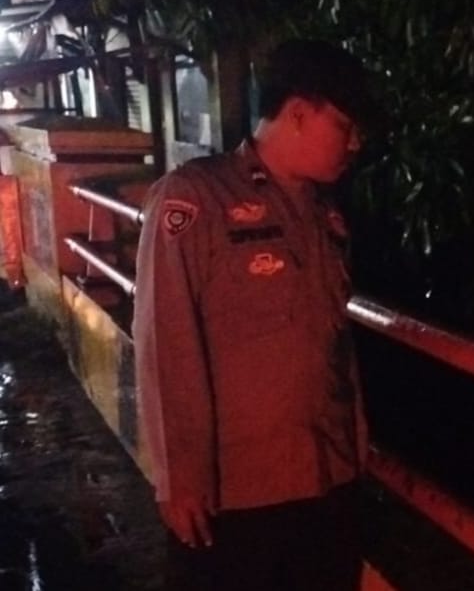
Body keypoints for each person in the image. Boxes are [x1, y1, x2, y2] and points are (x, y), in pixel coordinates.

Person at [133, 40, 377, 591]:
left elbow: (335, 348)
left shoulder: (325, 217)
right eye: (344, 126)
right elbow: (165, 343)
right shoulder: (197, 199)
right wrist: (180, 477)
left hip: (326, 480)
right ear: (299, 113)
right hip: (235, 494)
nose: (355, 143)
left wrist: (355, 450)